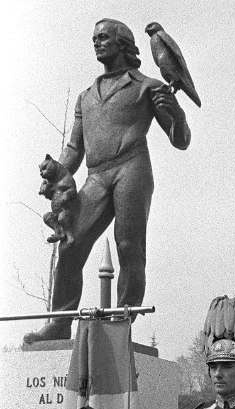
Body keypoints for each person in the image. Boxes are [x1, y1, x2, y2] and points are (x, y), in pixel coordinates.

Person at [25, 19, 191, 344]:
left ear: (122, 44)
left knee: (128, 246)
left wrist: (177, 114)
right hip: (96, 175)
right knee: (71, 244)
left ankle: (120, 322)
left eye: (103, 38)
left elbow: (180, 140)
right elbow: (74, 148)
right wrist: (57, 172)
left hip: (133, 168)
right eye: (94, 38)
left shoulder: (148, 86)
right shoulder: (86, 97)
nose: (97, 43)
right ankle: (59, 323)